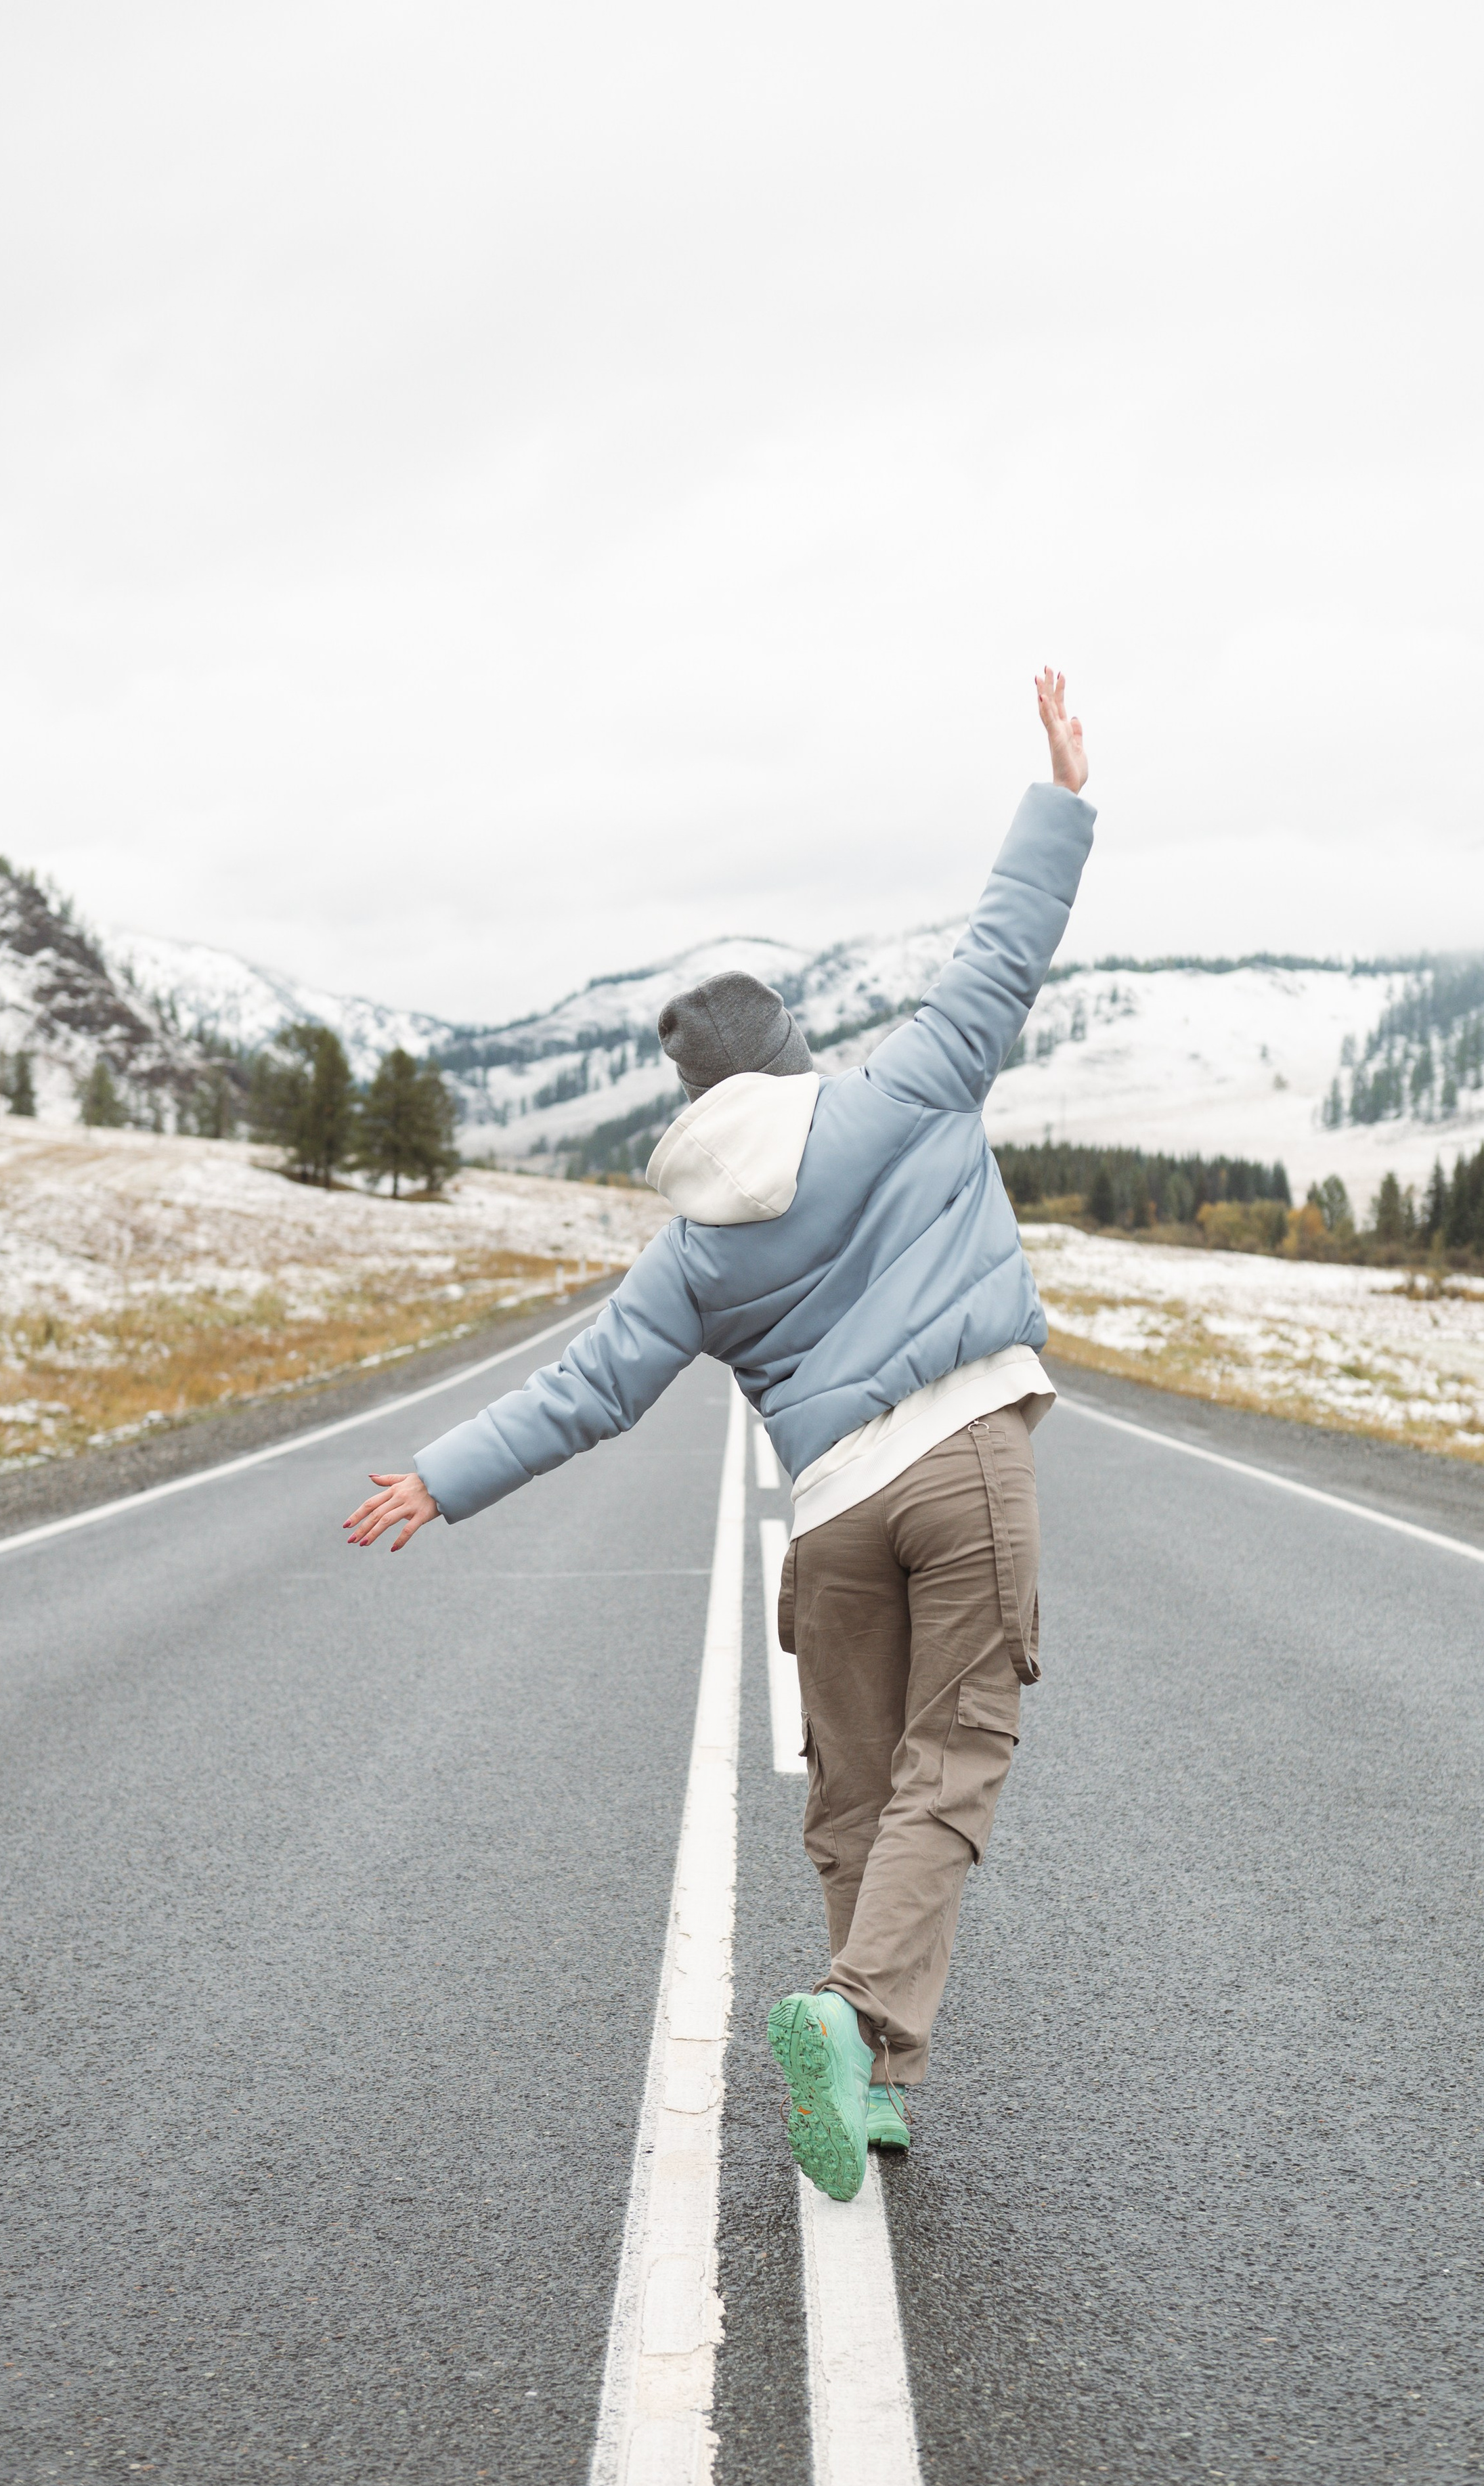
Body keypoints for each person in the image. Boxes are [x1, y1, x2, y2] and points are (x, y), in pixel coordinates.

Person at [345, 668, 1093, 2202]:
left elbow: (588, 1392)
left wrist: (439, 1475)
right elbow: (1003, 944)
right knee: (953, 1761)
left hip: (829, 1518)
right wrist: (1060, 793)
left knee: (851, 1786)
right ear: (796, 1044)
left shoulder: (691, 1245)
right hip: (963, 1463)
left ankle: (873, 2084)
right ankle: (854, 2013)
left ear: (693, 1087)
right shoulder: (900, 1091)